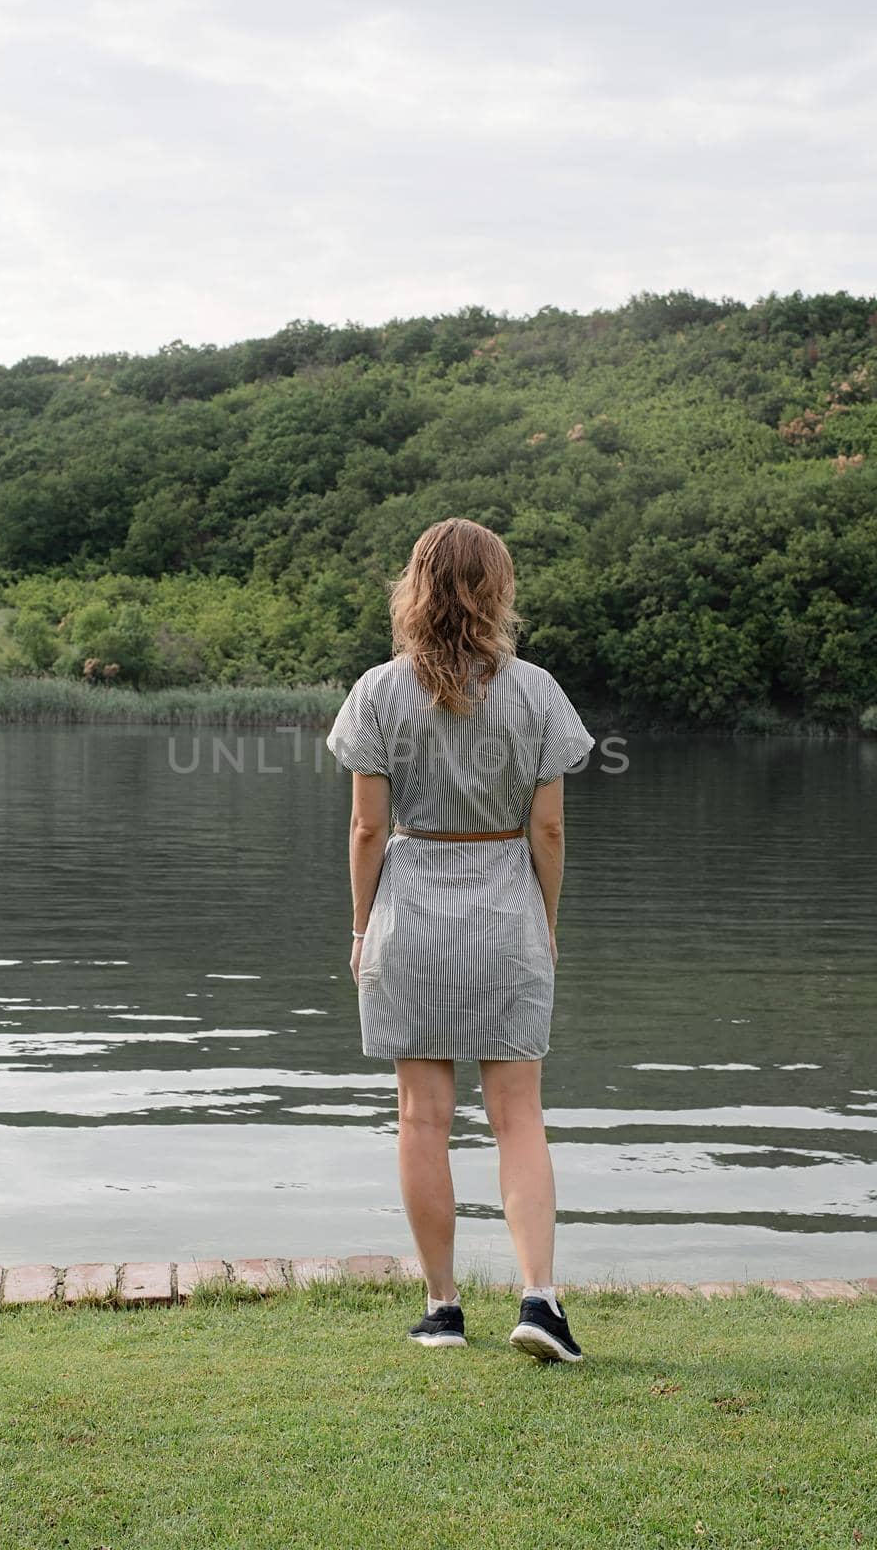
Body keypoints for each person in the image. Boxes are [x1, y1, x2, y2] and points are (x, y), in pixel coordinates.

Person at [325, 517, 595, 1363]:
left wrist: (363, 926)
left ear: (416, 587)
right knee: (518, 1117)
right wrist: (544, 922)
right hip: (506, 907)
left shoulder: (377, 690)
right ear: (497, 589)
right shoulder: (538, 690)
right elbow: (546, 829)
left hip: (411, 913)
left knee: (421, 1119)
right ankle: (540, 1301)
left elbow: (369, 830)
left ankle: (442, 1308)